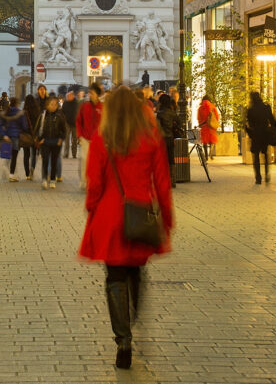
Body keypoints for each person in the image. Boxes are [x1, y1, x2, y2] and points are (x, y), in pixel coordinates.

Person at [79, 85, 175, 370]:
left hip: (110, 216)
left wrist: (92, 207)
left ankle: (123, 338)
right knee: (136, 269)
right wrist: (166, 217)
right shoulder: (150, 137)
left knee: (114, 276)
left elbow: (94, 180)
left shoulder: (102, 137)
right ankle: (131, 313)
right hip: (140, 213)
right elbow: (162, 180)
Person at [243, 91, 276, 186]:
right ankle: (267, 174)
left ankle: (258, 178)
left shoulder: (250, 110)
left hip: (255, 135)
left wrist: (250, 132)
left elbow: (248, 124)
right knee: (265, 155)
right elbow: (273, 121)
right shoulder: (266, 107)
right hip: (265, 134)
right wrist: (272, 129)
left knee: (256, 157)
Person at [36, 96, 69, 188]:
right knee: (45, 161)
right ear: (47, 105)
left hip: (56, 142)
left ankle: (53, 180)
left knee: (54, 161)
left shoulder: (59, 116)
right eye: (51, 104)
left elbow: (64, 130)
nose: (53, 106)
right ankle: (44, 179)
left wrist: (61, 139)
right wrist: (40, 139)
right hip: (45, 141)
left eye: (55, 104)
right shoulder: (42, 116)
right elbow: (38, 129)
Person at [0, 98, 29, 182]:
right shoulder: (20, 113)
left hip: (7, 137)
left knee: (7, 155)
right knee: (14, 156)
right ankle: (11, 174)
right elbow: (25, 126)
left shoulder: (6, 112)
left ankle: (6, 171)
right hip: (15, 136)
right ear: (17, 103)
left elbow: (0, 125)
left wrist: (4, 134)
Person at [196, 94, 221, 160]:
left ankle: (206, 156)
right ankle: (211, 154)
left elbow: (199, 118)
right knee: (211, 141)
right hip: (211, 127)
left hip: (204, 126)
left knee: (205, 142)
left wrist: (201, 123)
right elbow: (217, 116)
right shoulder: (212, 107)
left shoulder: (200, 108)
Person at [61, 90, 81, 159]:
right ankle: (66, 153)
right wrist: (64, 119)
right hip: (67, 123)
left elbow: (79, 112)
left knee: (74, 140)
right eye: (67, 96)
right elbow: (62, 112)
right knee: (66, 139)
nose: (68, 97)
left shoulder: (77, 103)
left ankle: (74, 154)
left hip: (75, 124)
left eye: (69, 96)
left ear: (72, 96)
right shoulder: (65, 103)